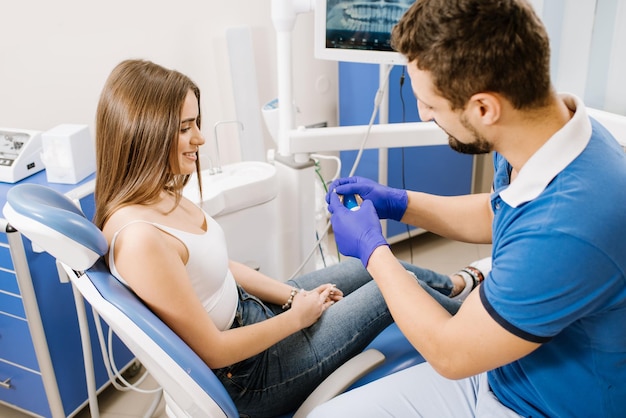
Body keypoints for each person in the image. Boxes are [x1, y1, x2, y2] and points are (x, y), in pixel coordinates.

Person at [92, 59, 489, 417]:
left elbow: (218, 268)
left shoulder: (156, 193)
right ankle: (479, 334)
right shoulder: (141, 240)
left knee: (361, 265)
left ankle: (456, 283)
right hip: (252, 374)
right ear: (143, 134)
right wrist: (298, 317)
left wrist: (291, 297)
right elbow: (212, 350)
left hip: (252, 313)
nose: (200, 138)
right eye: (185, 128)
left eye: (196, 123)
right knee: (388, 287)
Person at [312, 0, 626, 417]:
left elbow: (450, 352)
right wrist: (399, 203)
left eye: (430, 103)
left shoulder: (571, 226)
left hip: (539, 406)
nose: (424, 115)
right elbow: (499, 215)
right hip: (503, 370)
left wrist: (373, 249)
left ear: (483, 108)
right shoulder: (544, 133)